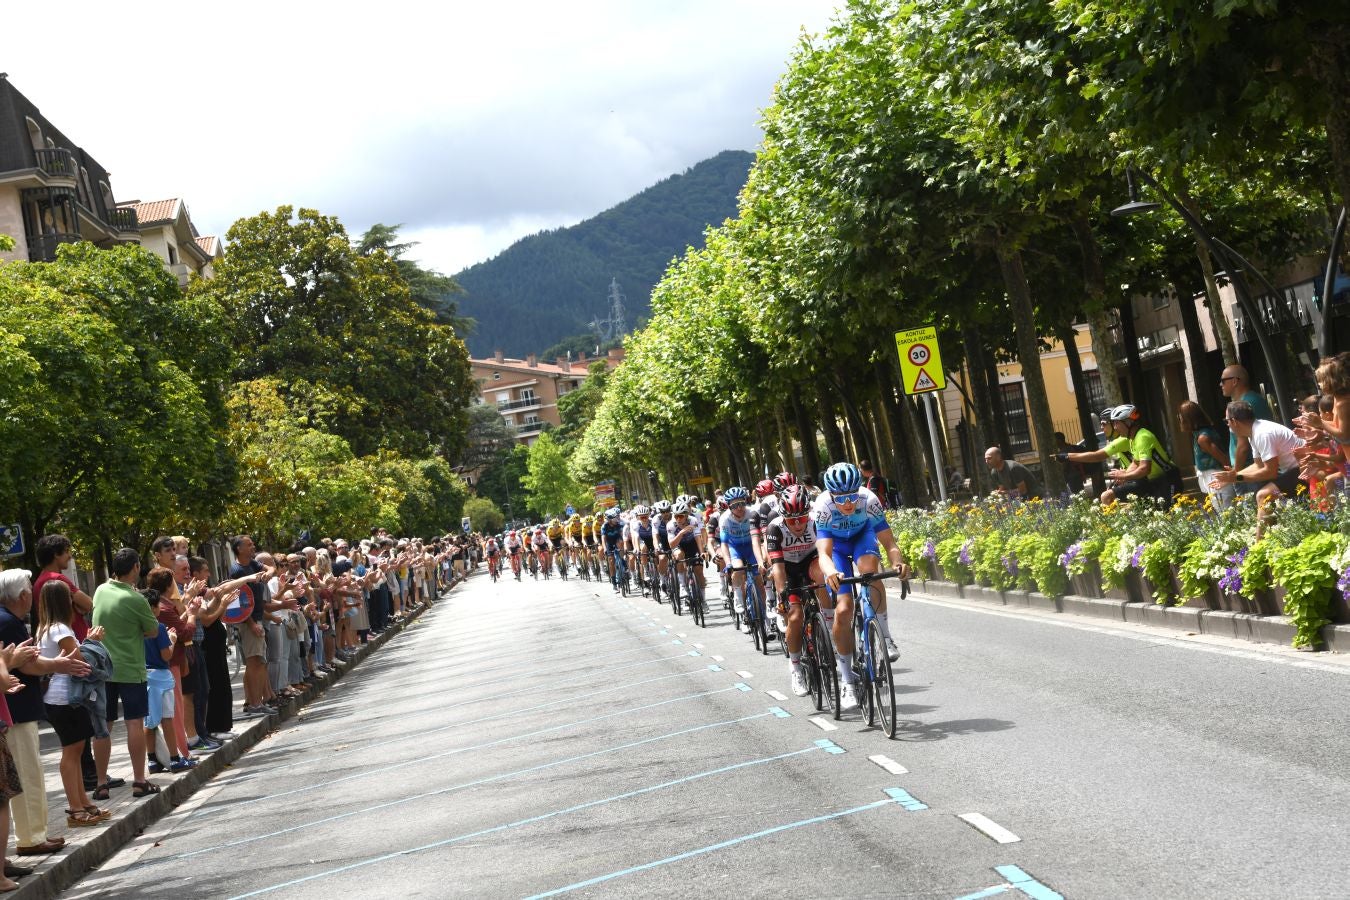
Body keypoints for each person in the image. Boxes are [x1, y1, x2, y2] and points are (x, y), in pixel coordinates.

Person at [0, 569, 91, 855]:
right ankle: (31, 838)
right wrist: (59, 664)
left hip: (16, 708)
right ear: (24, 595)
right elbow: (29, 665)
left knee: (27, 774)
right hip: (18, 711)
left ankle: (31, 836)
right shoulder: (9, 622)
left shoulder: (9, 620)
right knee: (28, 774)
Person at [813, 462, 912, 712]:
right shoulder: (823, 506)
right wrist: (831, 571)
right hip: (835, 548)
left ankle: (886, 636)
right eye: (841, 498)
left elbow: (889, 542)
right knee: (844, 609)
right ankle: (847, 679)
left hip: (861, 538)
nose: (847, 503)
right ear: (831, 495)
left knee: (870, 571)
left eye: (851, 496)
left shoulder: (869, 500)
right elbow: (823, 553)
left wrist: (898, 563)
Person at [35, 580, 111, 829]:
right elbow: (81, 663)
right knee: (72, 751)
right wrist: (92, 641)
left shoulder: (45, 629)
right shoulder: (60, 630)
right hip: (64, 697)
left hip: (59, 698)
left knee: (77, 750)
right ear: (64, 601)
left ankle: (83, 802)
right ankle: (76, 809)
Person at [89, 548, 163, 799]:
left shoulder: (100, 590)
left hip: (102, 669)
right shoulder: (136, 599)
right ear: (134, 568)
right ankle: (139, 781)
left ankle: (100, 783)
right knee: (134, 722)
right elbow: (153, 631)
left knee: (103, 726)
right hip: (130, 667)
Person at [766, 485, 827, 698]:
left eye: (802, 518)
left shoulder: (815, 522)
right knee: (795, 615)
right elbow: (778, 568)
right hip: (788, 568)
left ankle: (827, 625)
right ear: (784, 519)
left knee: (822, 577)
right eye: (792, 520)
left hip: (810, 560)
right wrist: (782, 594)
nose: (798, 524)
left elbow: (825, 553)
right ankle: (796, 667)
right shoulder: (775, 528)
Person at [1209, 400, 1305, 520]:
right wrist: (1232, 476)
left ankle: (1260, 539)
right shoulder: (1254, 432)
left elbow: (1270, 472)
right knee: (1263, 493)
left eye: (1226, 421)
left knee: (1262, 495)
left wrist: (1236, 478)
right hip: (1295, 469)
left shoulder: (1262, 434)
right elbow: (1258, 465)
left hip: (1305, 468)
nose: (1227, 424)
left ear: (1234, 421)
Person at [1098, 405, 1180, 504]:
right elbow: (1136, 462)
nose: (1115, 427)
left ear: (1128, 422)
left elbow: (1145, 469)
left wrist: (1125, 476)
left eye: (1116, 423)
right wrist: (1124, 474)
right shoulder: (1133, 438)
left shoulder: (1143, 437)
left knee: (1169, 515)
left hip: (1169, 479)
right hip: (1154, 481)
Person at [1219, 364, 1273, 491]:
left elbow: (1243, 445)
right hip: (1255, 467)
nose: (1220, 385)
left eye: (1223, 381)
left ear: (1234, 381)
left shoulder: (1244, 404)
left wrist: (1235, 474)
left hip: (1250, 470)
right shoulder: (1254, 399)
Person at [1178, 400, 1232, 509]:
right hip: (1210, 477)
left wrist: (1229, 478)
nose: (1179, 420)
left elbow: (1224, 459)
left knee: (1225, 513)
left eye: (1181, 416)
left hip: (1216, 477)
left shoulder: (1203, 438)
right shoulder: (1198, 435)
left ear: (1188, 419)